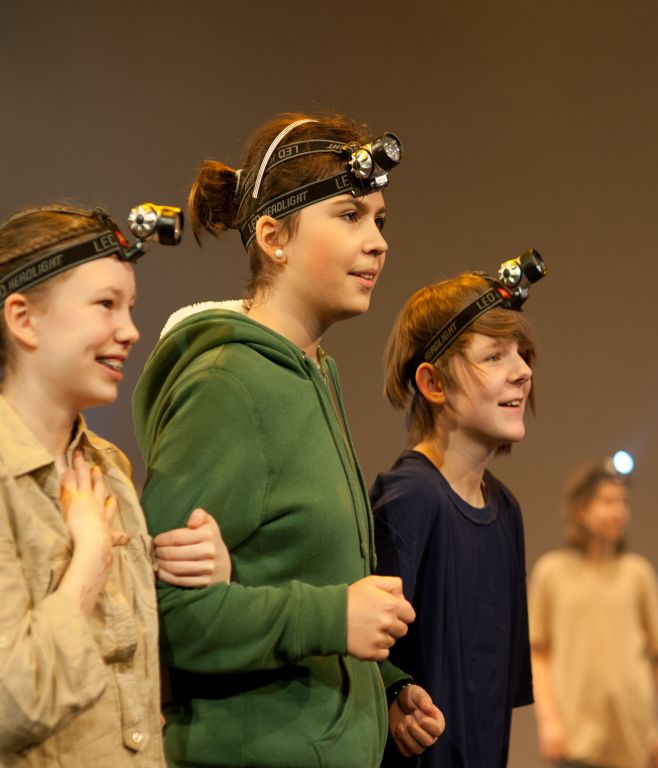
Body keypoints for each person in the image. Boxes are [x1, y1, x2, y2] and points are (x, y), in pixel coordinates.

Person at [132, 113, 442, 768]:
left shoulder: (314, 373)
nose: (378, 242)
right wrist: (333, 620)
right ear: (274, 237)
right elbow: (163, 613)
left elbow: (291, 574)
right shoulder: (227, 385)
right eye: (350, 216)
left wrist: (381, 685)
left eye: (379, 220)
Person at [0, 204, 231, 767]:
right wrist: (90, 560)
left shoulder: (107, 467)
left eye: (129, 307)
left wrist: (207, 571)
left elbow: (132, 673)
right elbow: (11, 703)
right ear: (23, 319)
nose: (130, 331)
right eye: (105, 304)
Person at [371, 271, 537, 766]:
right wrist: (391, 694)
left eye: (521, 354)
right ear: (433, 382)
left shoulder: (506, 510)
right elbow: (364, 663)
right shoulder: (410, 499)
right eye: (494, 356)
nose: (522, 371)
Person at [529, 462, 658, 768]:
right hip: (576, 740)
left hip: (634, 742)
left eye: (622, 502)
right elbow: (537, 653)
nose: (618, 511)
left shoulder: (637, 573)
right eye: (607, 501)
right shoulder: (552, 572)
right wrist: (549, 721)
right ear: (581, 511)